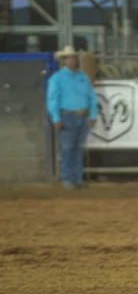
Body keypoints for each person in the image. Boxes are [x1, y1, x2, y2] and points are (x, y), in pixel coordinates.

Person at [46, 45, 98, 189]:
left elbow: (92, 97)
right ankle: (69, 179)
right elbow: (52, 100)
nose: (72, 60)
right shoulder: (57, 78)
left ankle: (77, 178)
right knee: (69, 148)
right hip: (67, 115)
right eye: (69, 58)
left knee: (78, 148)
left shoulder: (82, 76)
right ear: (64, 60)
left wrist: (92, 114)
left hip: (81, 116)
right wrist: (56, 118)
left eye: (73, 57)